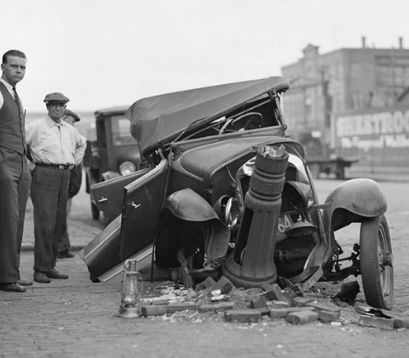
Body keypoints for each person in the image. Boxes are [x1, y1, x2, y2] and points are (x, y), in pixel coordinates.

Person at [26, 92, 87, 284]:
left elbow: (82, 144)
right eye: (54, 105)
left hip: (64, 174)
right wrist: (31, 165)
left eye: (62, 105)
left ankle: (50, 265)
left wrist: (74, 162)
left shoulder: (69, 129)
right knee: (45, 222)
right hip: (44, 174)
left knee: (59, 222)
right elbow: (20, 145)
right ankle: (40, 269)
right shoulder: (35, 127)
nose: (58, 109)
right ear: (47, 107)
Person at [0, 49, 32, 293]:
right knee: (8, 220)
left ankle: (12, 273)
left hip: (21, 163)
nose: (19, 71)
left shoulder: (16, 94)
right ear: (3, 67)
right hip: (4, 162)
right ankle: (7, 277)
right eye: (14, 66)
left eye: (22, 67)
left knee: (18, 220)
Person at [58, 109, 82, 259]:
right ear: (66, 119)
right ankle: (61, 248)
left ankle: (63, 247)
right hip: (66, 186)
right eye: (72, 122)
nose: (73, 125)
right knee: (60, 218)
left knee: (62, 218)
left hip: (69, 187)